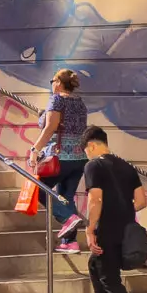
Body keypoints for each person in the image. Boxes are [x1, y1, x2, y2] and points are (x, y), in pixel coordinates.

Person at [74, 125, 147, 293]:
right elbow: (141, 201)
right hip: (125, 228)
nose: (87, 155)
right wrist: (122, 210)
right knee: (94, 264)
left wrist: (90, 229)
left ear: (91, 146)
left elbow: (95, 200)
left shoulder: (93, 165)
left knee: (110, 279)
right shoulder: (126, 166)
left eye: (86, 151)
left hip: (106, 229)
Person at [29, 67, 90, 248]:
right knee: (66, 197)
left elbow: (50, 128)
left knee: (38, 188)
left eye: (53, 81)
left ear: (59, 83)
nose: (52, 84)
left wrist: (35, 150)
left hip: (60, 156)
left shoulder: (56, 100)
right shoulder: (80, 103)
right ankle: (70, 243)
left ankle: (67, 218)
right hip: (79, 158)